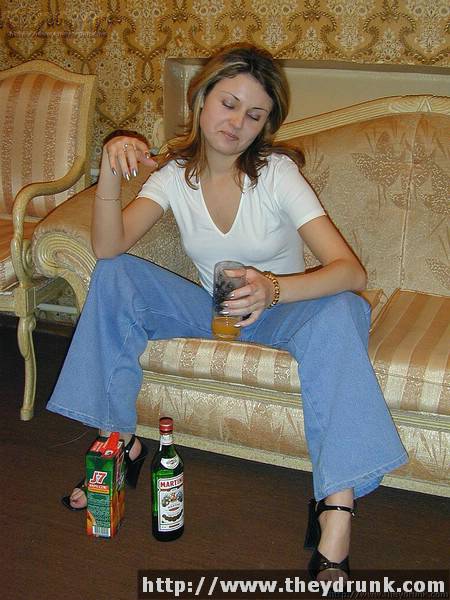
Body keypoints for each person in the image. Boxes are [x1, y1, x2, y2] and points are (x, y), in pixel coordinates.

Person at [48, 43, 408, 580]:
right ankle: (118, 442)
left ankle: (336, 506)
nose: (237, 123)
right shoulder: (174, 175)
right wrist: (110, 172)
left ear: (265, 126)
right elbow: (108, 246)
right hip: (211, 311)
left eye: (255, 115)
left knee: (342, 311)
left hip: (281, 315)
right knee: (115, 275)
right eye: (229, 104)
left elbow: (350, 272)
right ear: (201, 100)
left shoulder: (276, 173)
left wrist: (273, 289)